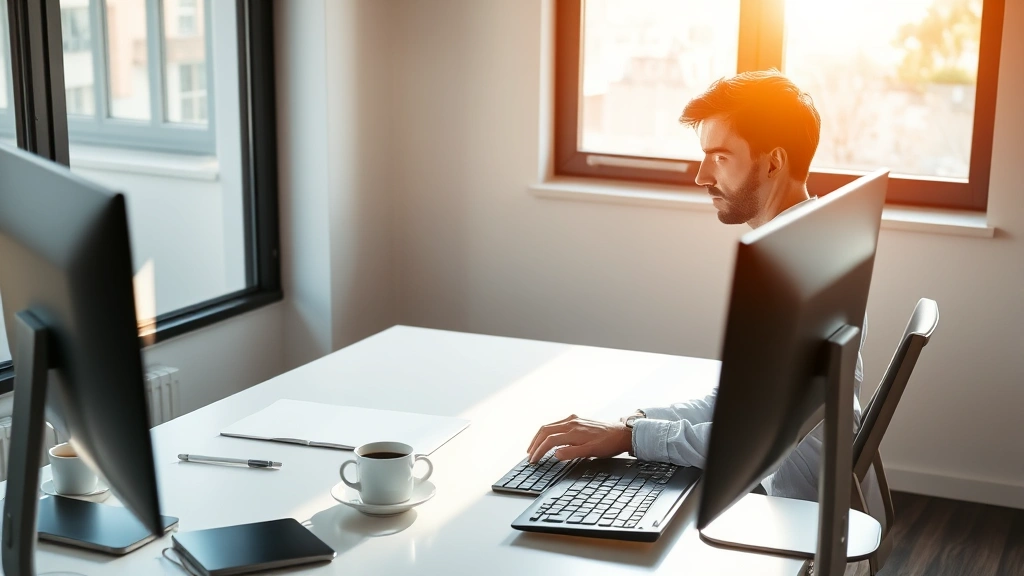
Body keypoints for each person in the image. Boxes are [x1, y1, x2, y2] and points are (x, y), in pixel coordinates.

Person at [526, 70, 868, 502]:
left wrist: (631, 438)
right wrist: (630, 425)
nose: (701, 176)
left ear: (773, 162)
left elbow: (752, 439)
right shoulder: (815, 242)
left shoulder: (799, 277)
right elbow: (735, 405)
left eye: (720, 157)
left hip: (779, 513)